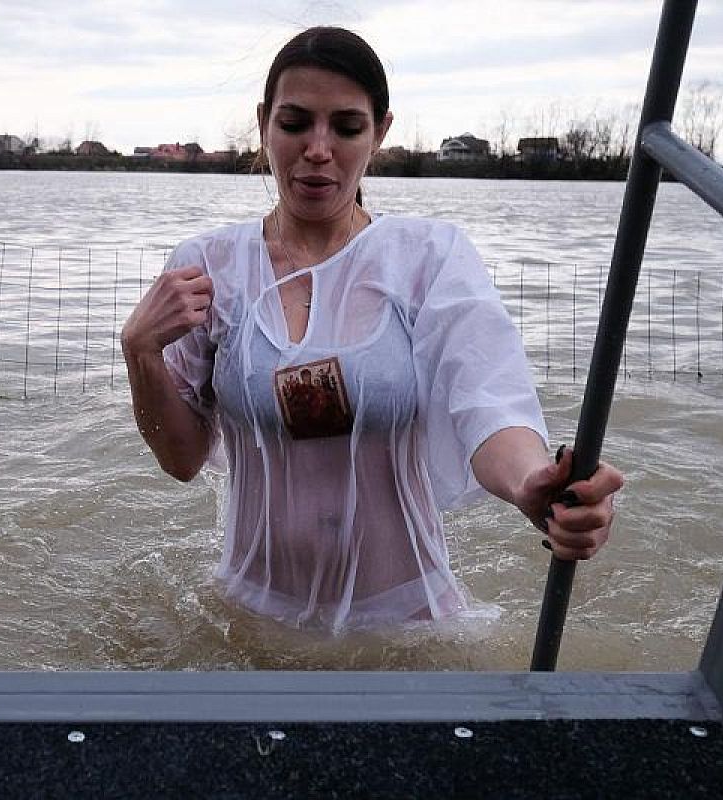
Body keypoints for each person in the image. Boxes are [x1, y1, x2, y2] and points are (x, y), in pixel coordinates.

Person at [121, 26, 623, 630]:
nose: (317, 148)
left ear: (380, 132)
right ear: (264, 123)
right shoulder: (209, 269)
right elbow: (180, 458)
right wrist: (140, 352)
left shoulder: (426, 259)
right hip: (245, 617)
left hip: (406, 625)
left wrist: (531, 487)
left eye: (347, 127)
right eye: (295, 122)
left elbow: (489, 402)